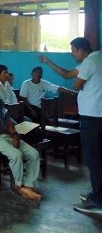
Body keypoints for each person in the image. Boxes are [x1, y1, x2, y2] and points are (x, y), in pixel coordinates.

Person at [39, 37, 102, 213]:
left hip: (92, 117)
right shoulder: (98, 59)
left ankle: (97, 202)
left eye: (73, 50)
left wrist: (80, 82)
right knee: (98, 156)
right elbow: (67, 74)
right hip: (98, 115)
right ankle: (97, 193)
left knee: (93, 158)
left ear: (81, 50)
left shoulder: (89, 63)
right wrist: (48, 61)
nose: (72, 54)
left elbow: (76, 84)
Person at [0, 75, 41, 201]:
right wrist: (11, 134)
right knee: (16, 154)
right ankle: (19, 185)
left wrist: (15, 134)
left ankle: (29, 185)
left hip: (7, 135)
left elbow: (7, 119)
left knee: (34, 153)